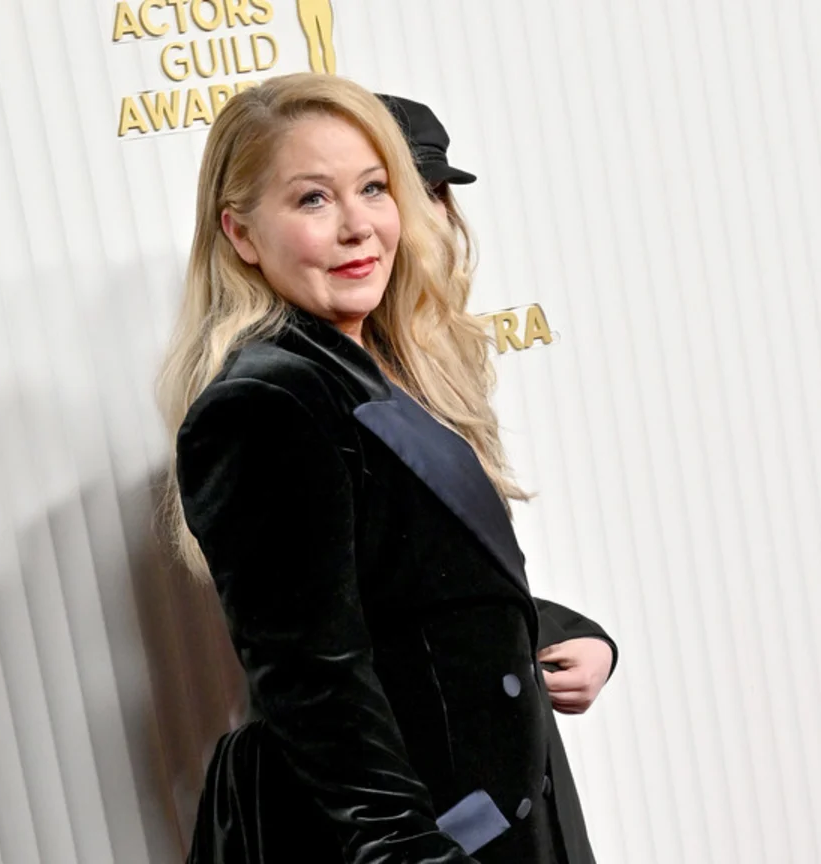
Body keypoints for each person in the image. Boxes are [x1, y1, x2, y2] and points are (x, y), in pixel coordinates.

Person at [159, 71, 606, 863]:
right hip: (421, 839)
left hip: (494, 815)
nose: (358, 226)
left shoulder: (383, 361)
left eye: (373, 188)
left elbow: (418, 586)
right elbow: (320, 687)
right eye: (312, 200)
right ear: (241, 234)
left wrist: (565, 634)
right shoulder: (269, 402)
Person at [378, 92, 617, 864]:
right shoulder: (301, 397)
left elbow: (448, 582)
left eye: (435, 194)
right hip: (428, 800)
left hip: (509, 778)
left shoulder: (435, 357)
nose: (428, 219)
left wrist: (571, 634)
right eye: (404, 194)